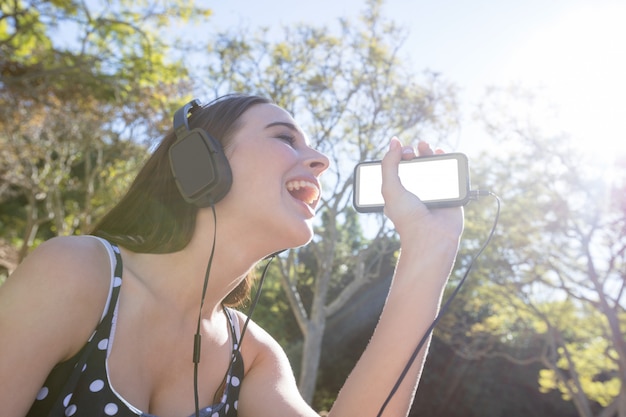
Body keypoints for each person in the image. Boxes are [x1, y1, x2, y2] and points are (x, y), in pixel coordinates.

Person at [0, 94, 464, 417]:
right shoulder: (76, 273)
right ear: (201, 164)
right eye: (285, 137)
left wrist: (429, 250)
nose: (320, 159)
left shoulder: (253, 355)